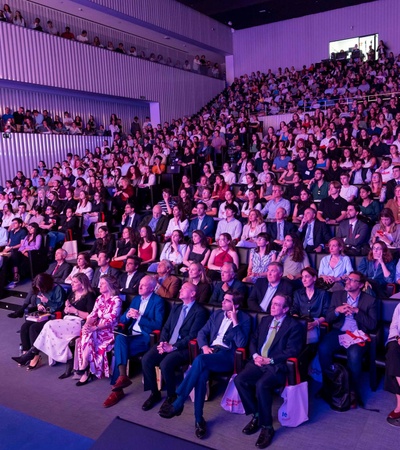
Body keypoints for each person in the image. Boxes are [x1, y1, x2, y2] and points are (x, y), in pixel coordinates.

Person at [159, 290, 251, 440]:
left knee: (200, 361)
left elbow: (242, 343)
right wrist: (204, 347)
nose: (223, 302)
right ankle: (198, 420)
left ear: (236, 305)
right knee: (201, 375)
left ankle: (179, 400)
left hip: (227, 356)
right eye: (224, 299)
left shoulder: (244, 319)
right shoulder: (217, 314)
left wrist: (235, 322)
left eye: (227, 301)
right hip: (210, 352)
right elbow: (202, 333)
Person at [235, 294, 305, 449]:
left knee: (261, 385)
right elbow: (253, 340)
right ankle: (257, 414)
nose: (272, 306)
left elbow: (292, 351)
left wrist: (270, 360)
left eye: (277, 305)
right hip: (258, 361)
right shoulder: (265, 320)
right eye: (272, 303)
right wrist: (255, 356)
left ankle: (267, 427)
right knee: (239, 380)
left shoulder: (293, 326)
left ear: (285, 309)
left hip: (276, 365)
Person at [141, 282, 208, 411]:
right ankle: (155, 393)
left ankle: (171, 396)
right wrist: (162, 342)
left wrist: (173, 347)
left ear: (193, 294)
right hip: (167, 343)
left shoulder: (199, 312)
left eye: (184, 288)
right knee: (146, 360)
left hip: (184, 348)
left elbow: (192, 336)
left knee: (166, 364)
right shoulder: (176, 308)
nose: (180, 289)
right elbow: (166, 328)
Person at [17, 274, 96, 378]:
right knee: (40, 327)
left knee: (49, 325)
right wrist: (66, 309)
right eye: (72, 281)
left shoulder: (89, 295)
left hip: (79, 323)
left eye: (75, 282)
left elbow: (91, 315)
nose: (72, 283)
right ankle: (33, 353)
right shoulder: (72, 293)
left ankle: (33, 353)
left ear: (82, 284)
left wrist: (75, 311)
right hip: (66, 320)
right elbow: (64, 309)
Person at [318, 271, 377, 407]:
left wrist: (357, 312)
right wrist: (337, 310)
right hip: (339, 331)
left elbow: (372, 325)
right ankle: (331, 385)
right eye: (348, 279)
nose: (348, 282)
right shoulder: (337, 296)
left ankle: (352, 391)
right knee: (323, 348)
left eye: (352, 280)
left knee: (354, 354)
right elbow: (328, 317)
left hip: (358, 334)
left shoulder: (370, 300)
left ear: (361, 285)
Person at [103, 276, 164, 406]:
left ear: (152, 288)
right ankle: (122, 377)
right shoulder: (136, 299)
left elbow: (158, 324)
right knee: (119, 338)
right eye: (139, 284)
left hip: (145, 337)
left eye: (144, 285)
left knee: (120, 350)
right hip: (131, 334)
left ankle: (117, 389)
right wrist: (127, 315)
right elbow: (124, 320)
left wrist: (140, 317)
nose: (139, 287)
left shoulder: (158, 301)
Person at [74, 275, 122, 386]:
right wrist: (86, 324)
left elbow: (111, 320)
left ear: (109, 285)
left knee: (88, 336)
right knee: (87, 333)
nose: (99, 285)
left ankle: (84, 369)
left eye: (103, 283)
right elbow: (93, 314)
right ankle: (85, 368)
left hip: (109, 331)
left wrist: (95, 327)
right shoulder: (99, 298)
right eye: (100, 283)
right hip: (97, 329)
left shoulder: (116, 300)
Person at [12, 273, 66, 370]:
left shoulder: (58, 289)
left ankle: (35, 356)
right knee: (25, 326)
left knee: (34, 328)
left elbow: (60, 306)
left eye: (40, 287)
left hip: (53, 317)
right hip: (43, 314)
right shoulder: (41, 289)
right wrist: (39, 305)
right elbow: (38, 298)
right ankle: (26, 353)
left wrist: (47, 301)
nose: (40, 290)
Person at [292, 268, 330, 344]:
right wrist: (300, 323)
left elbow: (326, 314)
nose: (304, 280)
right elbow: (294, 310)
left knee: (306, 340)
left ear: (314, 278)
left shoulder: (323, 294)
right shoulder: (297, 293)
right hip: (300, 322)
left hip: (316, 322)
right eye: (302, 277)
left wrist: (315, 323)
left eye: (307, 276)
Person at [385, 302, 400, 426]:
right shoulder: (399, 306)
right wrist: (397, 337)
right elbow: (394, 326)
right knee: (393, 355)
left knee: (393, 365)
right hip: (397, 340)